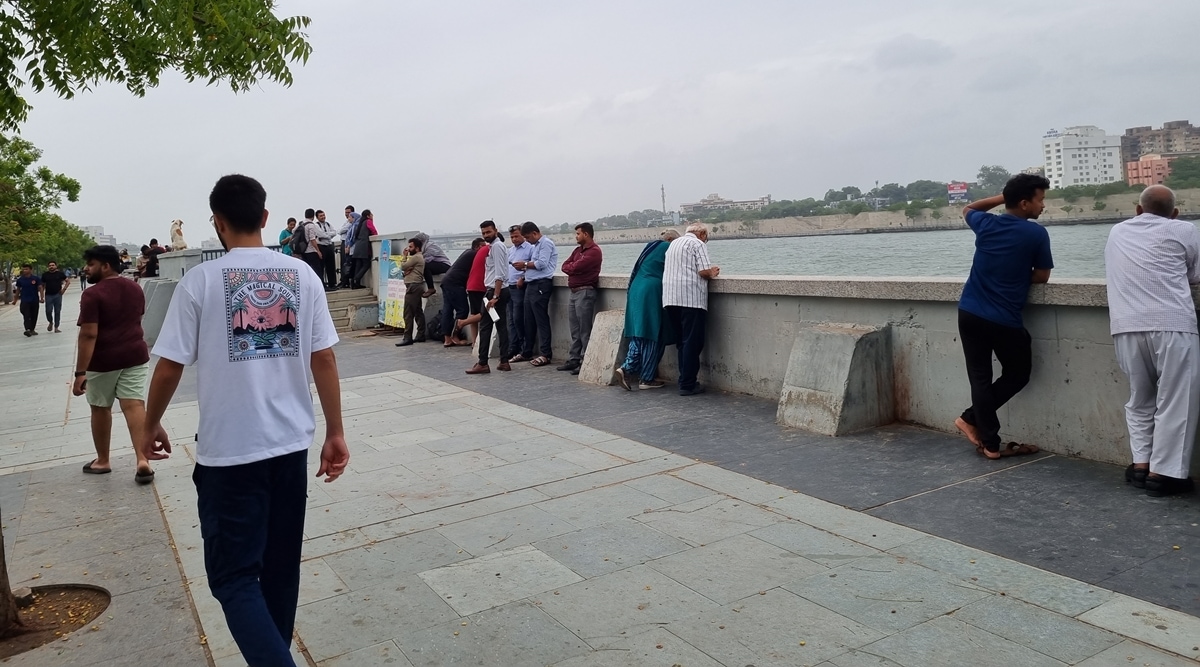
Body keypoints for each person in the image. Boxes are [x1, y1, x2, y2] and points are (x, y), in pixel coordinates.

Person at [141, 174, 348, 667]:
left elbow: (169, 365)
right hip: (290, 447)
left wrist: (148, 426)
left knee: (233, 578)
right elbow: (324, 359)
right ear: (265, 217)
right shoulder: (303, 275)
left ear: (217, 222)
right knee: (279, 572)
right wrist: (336, 431)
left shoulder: (200, 281)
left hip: (230, 454)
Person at [1105, 185, 1199, 497]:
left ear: (1138, 209)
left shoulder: (1117, 232)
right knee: (1176, 401)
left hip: (1126, 325)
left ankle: (1140, 464)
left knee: (1139, 399)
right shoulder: (1184, 229)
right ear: (1175, 213)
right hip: (1173, 324)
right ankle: (1165, 473)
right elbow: (1195, 274)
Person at [952, 174, 1053, 460]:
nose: (1043, 205)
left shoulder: (987, 224)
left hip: (969, 312)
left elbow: (968, 209)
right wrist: (1017, 274)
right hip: (1003, 319)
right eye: (1040, 199)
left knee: (980, 379)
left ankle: (989, 442)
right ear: (1024, 204)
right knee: (1017, 374)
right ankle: (973, 424)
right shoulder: (1035, 233)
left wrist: (1002, 197)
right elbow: (1042, 276)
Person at [72, 245, 156, 482]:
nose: (86, 269)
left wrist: (80, 372)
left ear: (105, 266)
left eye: (91, 264)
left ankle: (103, 460)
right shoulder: (135, 288)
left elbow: (89, 334)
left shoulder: (92, 294)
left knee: (100, 407)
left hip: (103, 361)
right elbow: (135, 318)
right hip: (136, 355)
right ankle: (143, 460)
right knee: (134, 405)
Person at [616, 229, 680, 390]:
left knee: (639, 333)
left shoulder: (650, 246)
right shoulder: (667, 247)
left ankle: (632, 370)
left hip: (637, 289)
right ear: (671, 239)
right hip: (651, 291)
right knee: (653, 334)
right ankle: (638, 374)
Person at [663, 223, 719, 396]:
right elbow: (703, 271)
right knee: (692, 342)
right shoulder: (698, 244)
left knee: (681, 341)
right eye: (706, 236)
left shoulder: (674, 244)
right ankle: (688, 384)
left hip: (670, 297)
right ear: (701, 233)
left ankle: (683, 380)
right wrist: (713, 272)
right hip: (690, 299)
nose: (706, 239)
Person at [558, 222, 603, 374]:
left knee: (585, 329)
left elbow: (576, 267)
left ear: (586, 234)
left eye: (578, 233)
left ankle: (586, 360)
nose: (576, 236)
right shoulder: (578, 251)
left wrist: (573, 269)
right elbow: (565, 265)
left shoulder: (594, 251)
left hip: (585, 292)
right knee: (575, 329)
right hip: (574, 292)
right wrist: (573, 269)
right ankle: (574, 359)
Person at [466, 221, 511, 374]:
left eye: (488, 232)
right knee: (501, 326)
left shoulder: (497, 247)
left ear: (496, 231)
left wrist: (495, 297)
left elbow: (499, 274)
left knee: (485, 327)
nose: (486, 235)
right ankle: (504, 361)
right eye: (484, 233)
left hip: (495, 292)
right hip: (499, 291)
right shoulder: (495, 247)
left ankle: (483, 363)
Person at [511, 221, 558, 367]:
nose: (527, 241)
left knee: (540, 319)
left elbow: (542, 264)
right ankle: (527, 351)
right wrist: (524, 275)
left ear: (534, 233)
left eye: (527, 237)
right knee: (528, 320)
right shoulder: (536, 246)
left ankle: (545, 354)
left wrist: (524, 265)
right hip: (530, 284)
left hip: (541, 284)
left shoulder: (546, 243)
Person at [440, 238, 484, 348]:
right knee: (462, 310)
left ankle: (447, 339)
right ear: (478, 247)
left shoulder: (467, 252)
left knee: (448, 309)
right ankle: (455, 336)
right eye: (483, 246)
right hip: (456, 283)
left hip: (447, 280)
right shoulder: (474, 254)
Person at [455, 233, 491, 344]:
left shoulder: (478, 251)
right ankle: (462, 323)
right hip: (480, 285)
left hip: (471, 285)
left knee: (475, 313)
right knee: (486, 313)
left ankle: (475, 342)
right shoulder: (490, 249)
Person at [394, 237, 427, 347]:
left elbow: (403, 267)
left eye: (411, 247)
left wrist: (404, 256)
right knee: (418, 311)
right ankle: (421, 334)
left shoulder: (416, 257)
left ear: (417, 248)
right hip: (416, 286)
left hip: (413, 287)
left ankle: (407, 337)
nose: (408, 249)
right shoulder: (418, 258)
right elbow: (407, 270)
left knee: (408, 313)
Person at [506, 225, 533, 359]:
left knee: (519, 318)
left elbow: (534, 266)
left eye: (516, 236)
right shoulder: (510, 250)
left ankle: (524, 348)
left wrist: (523, 277)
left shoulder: (530, 248)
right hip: (509, 286)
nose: (514, 239)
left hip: (520, 287)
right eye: (512, 237)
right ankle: (513, 346)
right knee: (511, 319)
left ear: (522, 235)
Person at [414, 233, 452, 298]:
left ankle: (431, 288)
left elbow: (427, 259)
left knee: (425, 266)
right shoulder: (423, 247)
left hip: (444, 264)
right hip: (435, 264)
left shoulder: (430, 246)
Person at [349, 209, 377, 289]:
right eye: (371, 214)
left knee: (359, 265)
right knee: (366, 264)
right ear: (368, 216)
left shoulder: (360, 223)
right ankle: (356, 279)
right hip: (364, 246)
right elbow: (374, 231)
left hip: (358, 246)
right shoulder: (368, 221)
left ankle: (355, 283)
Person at [12, 264, 42, 336]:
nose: (24, 270)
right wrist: (15, 300)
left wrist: (42, 297)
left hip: (34, 300)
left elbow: (40, 288)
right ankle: (27, 329)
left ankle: (32, 329)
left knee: (34, 315)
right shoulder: (20, 280)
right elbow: (18, 290)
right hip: (25, 300)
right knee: (26, 314)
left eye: (26, 269)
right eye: (24, 269)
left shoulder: (36, 278)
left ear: (31, 270)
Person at [40, 260, 70, 333]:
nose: (51, 267)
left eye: (53, 265)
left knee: (57, 311)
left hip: (58, 295)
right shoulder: (45, 275)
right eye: (50, 265)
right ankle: (50, 322)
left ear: (56, 266)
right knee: (48, 311)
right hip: (48, 295)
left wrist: (63, 290)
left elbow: (68, 281)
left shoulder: (60, 274)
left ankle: (56, 327)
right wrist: (42, 296)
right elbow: (42, 286)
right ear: (48, 267)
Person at [315, 210, 338, 290]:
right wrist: (328, 235)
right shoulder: (316, 225)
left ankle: (332, 284)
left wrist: (326, 235)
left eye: (323, 215)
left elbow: (335, 232)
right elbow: (320, 234)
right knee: (321, 266)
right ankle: (323, 284)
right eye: (321, 216)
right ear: (317, 217)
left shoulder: (328, 224)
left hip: (329, 246)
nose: (323, 217)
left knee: (331, 265)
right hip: (321, 246)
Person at [337, 207, 357, 287]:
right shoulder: (347, 222)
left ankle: (346, 281)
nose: (347, 214)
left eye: (348, 212)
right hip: (343, 242)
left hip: (347, 244)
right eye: (345, 212)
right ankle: (344, 281)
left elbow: (341, 231)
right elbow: (338, 231)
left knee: (347, 263)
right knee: (344, 263)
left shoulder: (351, 223)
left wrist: (340, 231)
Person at [300, 208, 323, 279]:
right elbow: (312, 239)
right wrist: (318, 251)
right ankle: (321, 285)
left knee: (307, 270)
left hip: (303, 250)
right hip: (311, 250)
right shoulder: (311, 225)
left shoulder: (300, 224)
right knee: (317, 269)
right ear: (313, 216)